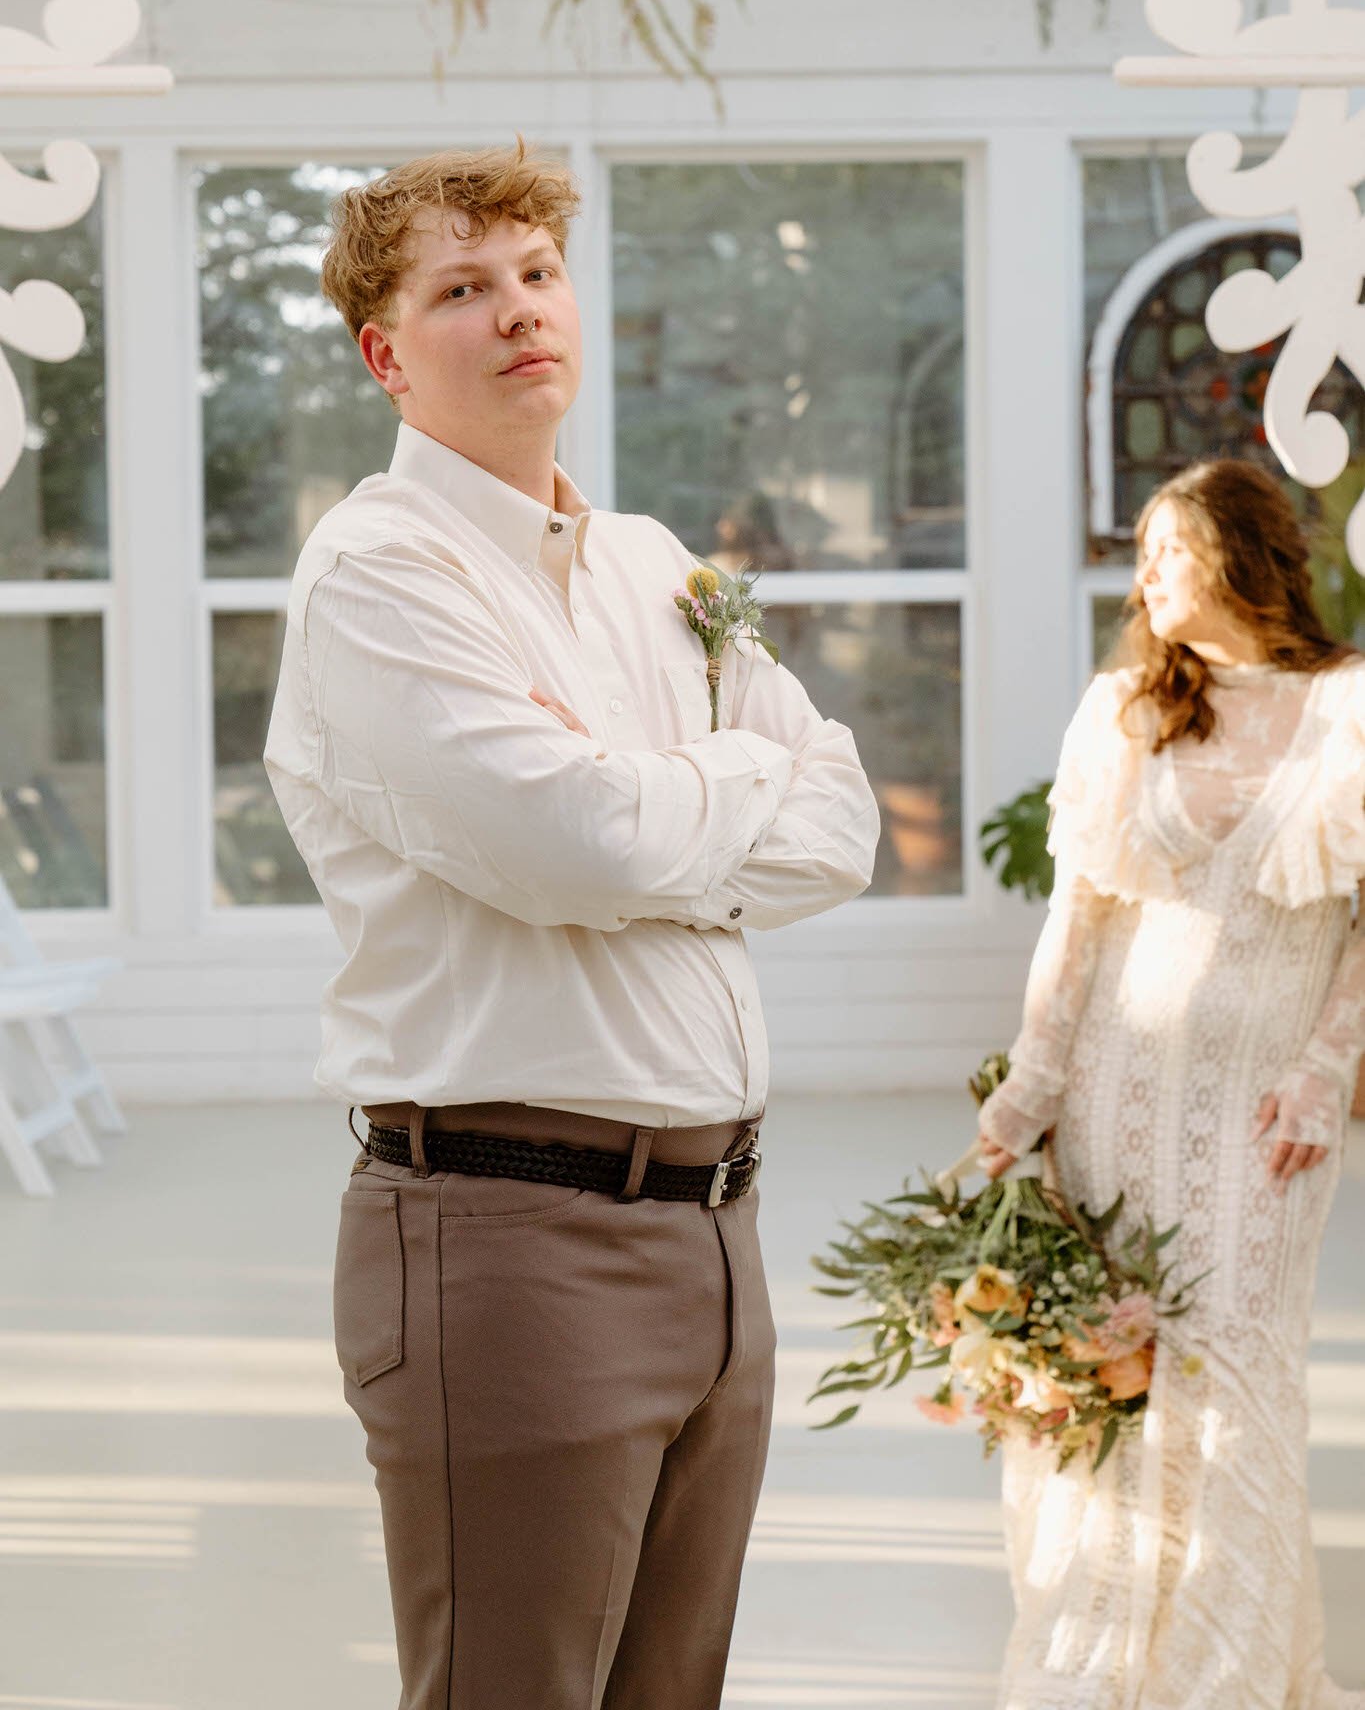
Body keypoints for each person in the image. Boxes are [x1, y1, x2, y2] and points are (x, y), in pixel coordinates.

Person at [263, 141, 880, 1710]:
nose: (519, 308)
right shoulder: (378, 571)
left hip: (717, 1237)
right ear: (387, 355)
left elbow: (841, 831)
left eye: (537, 272)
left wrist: (649, 805)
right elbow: (577, 839)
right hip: (507, 1240)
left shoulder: (652, 563)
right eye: (463, 288)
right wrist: (727, 772)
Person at [977, 457, 1365, 1710]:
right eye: (1141, 548)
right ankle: (1097, 1676)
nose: (1145, 573)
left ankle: (1226, 1677)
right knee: (1108, 1375)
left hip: (1265, 1124)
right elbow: (1075, 924)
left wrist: (1325, 1070)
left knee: (1232, 1378)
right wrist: (1028, 1087)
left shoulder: (1351, 709)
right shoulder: (1124, 709)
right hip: (1115, 1106)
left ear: (1247, 557)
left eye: (1169, 547)